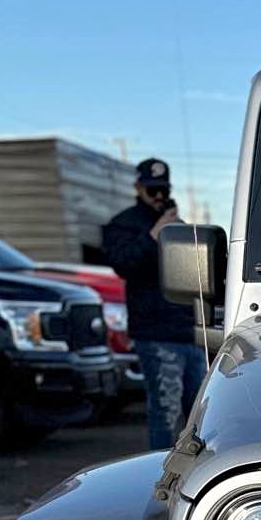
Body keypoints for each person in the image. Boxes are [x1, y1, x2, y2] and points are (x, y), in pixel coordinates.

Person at [102, 157, 208, 450]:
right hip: (155, 333)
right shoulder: (123, 224)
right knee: (165, 412)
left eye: (163, 189)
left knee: (199, 415)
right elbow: (122, 264)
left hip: (188, 330)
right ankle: (159, 476)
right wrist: (153, 235)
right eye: (152, 190)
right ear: (138, 188)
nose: (159, 196)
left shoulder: (179, 226)